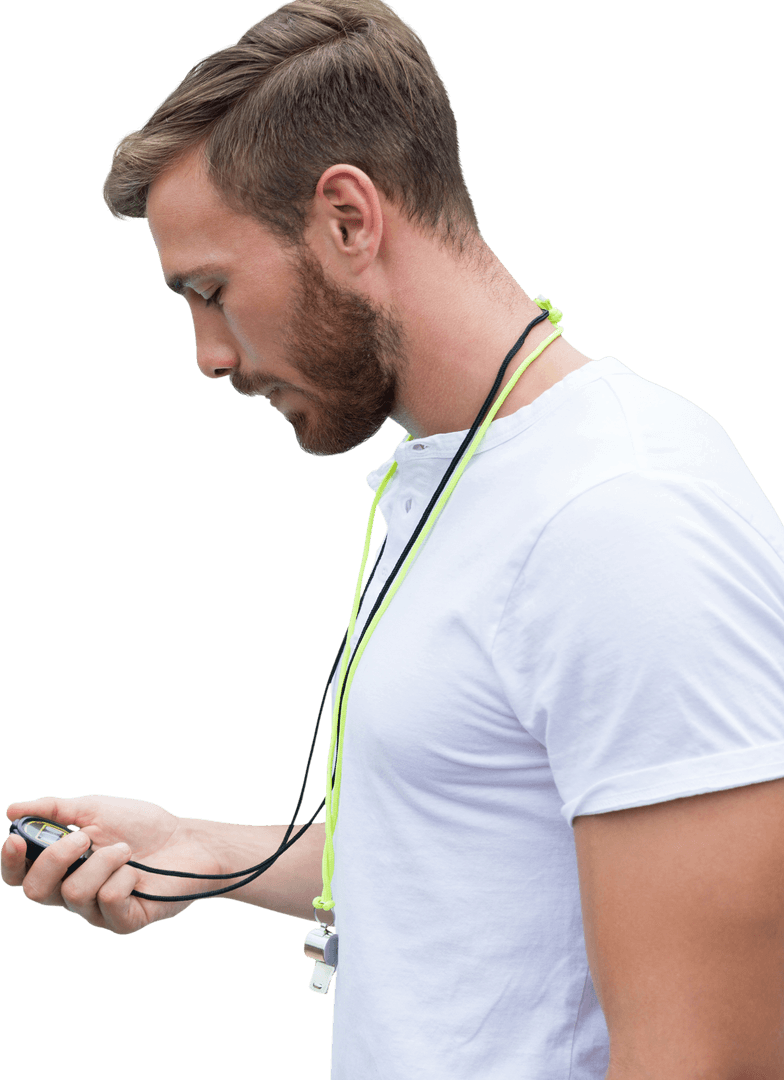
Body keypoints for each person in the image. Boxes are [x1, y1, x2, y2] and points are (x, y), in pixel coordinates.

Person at [4, 1, 784, 1076]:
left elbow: (710, 1054)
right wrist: (202, 851)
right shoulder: (469, 474)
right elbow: (484, 837)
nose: (208, 355)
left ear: (348, 218)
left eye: (212, 291)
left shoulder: (619, 516)